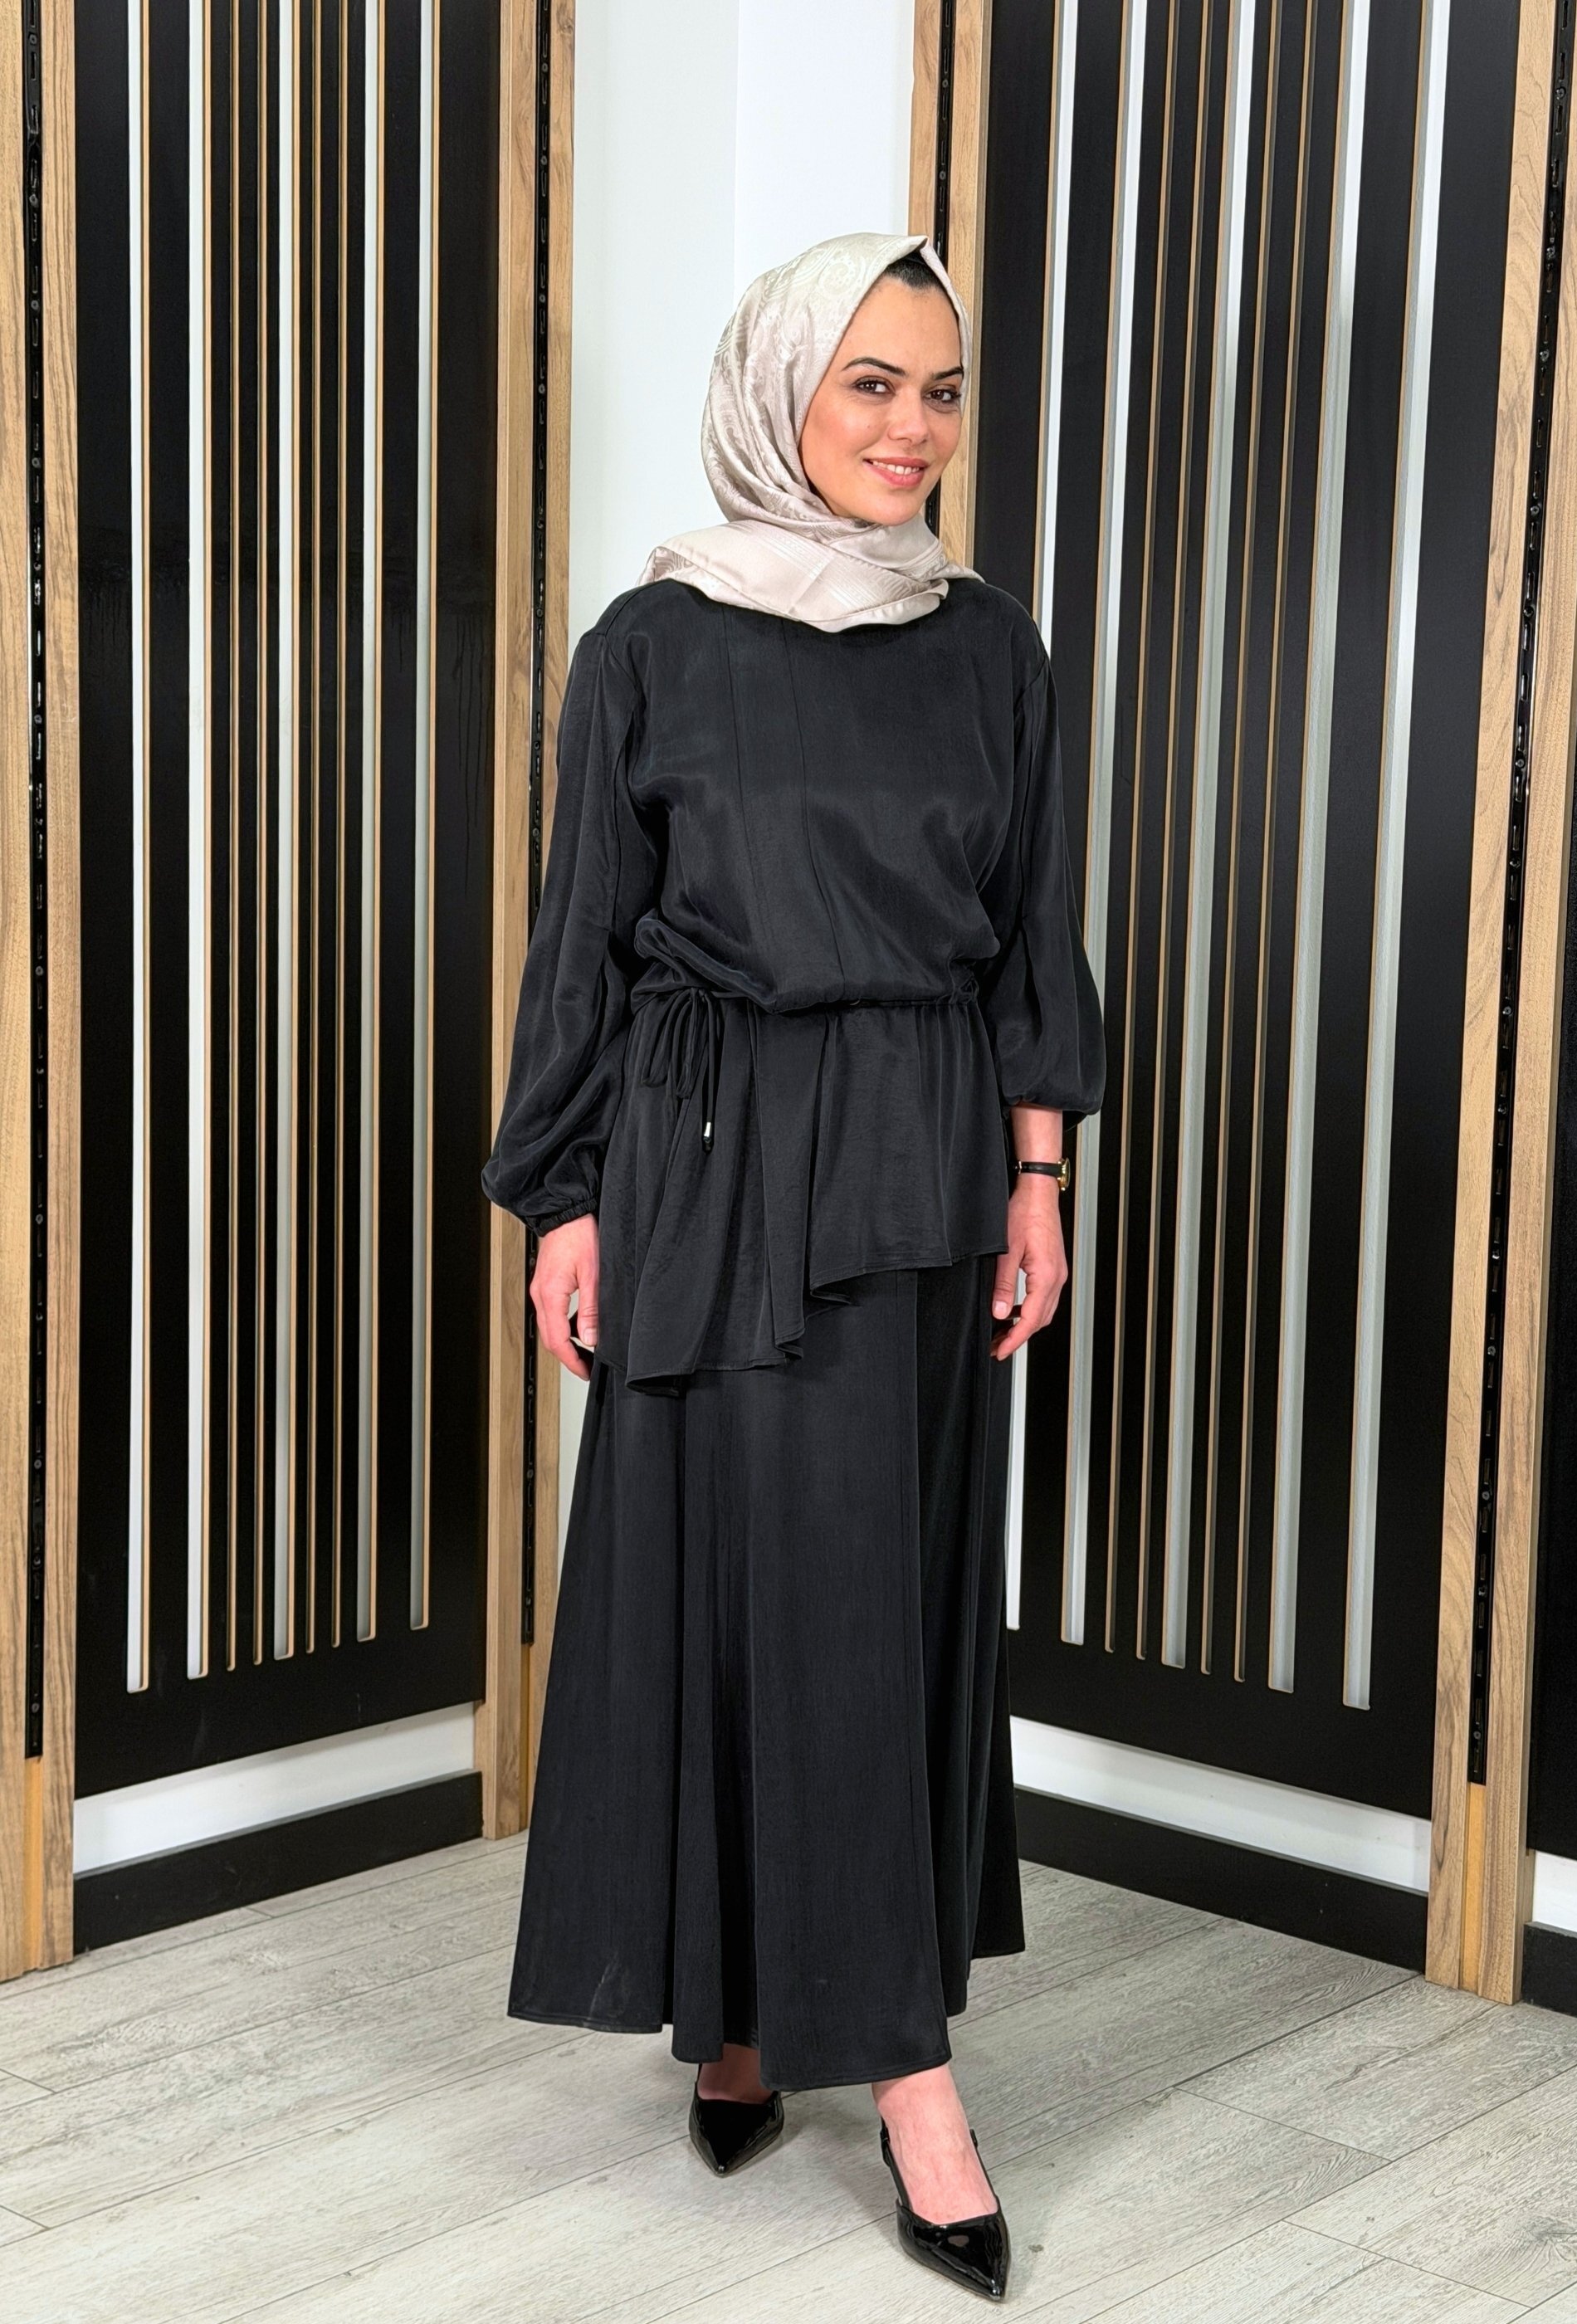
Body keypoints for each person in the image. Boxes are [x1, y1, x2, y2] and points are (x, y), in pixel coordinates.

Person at [482, 229, 1106, 2303]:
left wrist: (1038, 1169)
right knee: (743, 1590)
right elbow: (582, 935)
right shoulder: (650, 641)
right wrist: (563, 1198)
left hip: (925, 1159)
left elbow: (1029, 925)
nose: (912, 430)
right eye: (870, 383)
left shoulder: (987, 644)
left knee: (881, 1596)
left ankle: (798, 2027)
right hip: (713, 1157)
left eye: (940, 390)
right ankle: (870, 2062)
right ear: (779, 390)